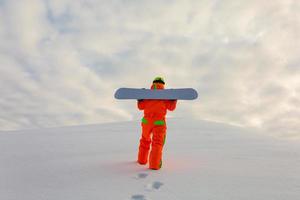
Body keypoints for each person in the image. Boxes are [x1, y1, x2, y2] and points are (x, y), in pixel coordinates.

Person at [137, 77, 177, 170]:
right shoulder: (164, 95)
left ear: (153, 83)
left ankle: (142, 160)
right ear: (163, 84)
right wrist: (173, 99)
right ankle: (154, 165)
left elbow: (141, 107)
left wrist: (140, 99)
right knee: (157, 144)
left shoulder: (148, 95)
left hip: (146, 122)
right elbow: (171, 108)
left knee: (144, 140)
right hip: (158, 122)